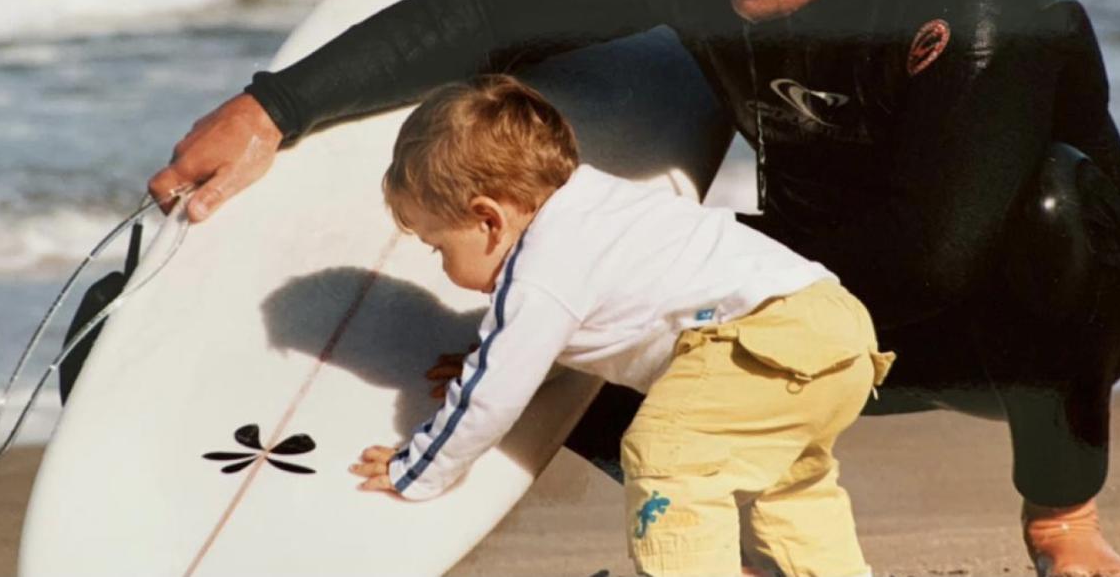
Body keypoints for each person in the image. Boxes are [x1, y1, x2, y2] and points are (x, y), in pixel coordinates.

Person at [150, 0, 1120, 577]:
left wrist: (640, 318)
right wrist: (273, 109)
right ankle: (749, 527)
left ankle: (1062, 522)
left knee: (1050, 215)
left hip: (1004, 320)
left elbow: (931, 258)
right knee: (572, 309)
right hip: (805, 290)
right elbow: (496, 10)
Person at [347, 75, 893, 577]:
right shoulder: (596, 203)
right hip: (833, 321)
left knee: (663, 451)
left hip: (758, 335)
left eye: (438, 247)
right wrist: (493, 362)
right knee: (789, 483)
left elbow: (493, 397)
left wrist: (416, 471)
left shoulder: (538, 272)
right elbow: (588, 329)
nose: (442, 265)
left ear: (488, 219)